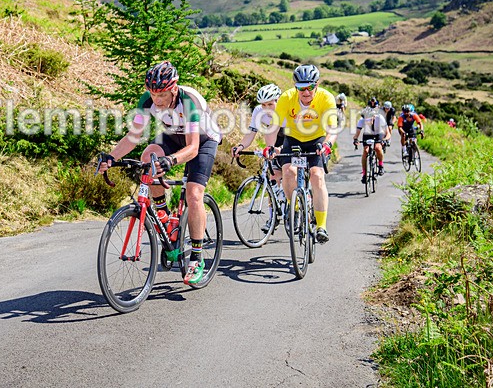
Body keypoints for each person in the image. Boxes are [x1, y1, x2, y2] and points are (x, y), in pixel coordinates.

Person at [96, 61, 222, 285]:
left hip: (203, 141)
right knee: (147, 159)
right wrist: (111, 157)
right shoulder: (146, 101)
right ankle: (163, 215)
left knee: (193, 194)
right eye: (153, 94)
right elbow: (134, 136)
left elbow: (192, 148)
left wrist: (171, 160)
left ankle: (196, 257)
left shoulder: (189, 101)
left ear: (173, 89)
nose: (157, 100)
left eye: (162, 94)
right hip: (173, 135)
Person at [264, 64, 338, 244]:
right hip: (294, 139)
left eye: (310, 87)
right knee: (289, 172)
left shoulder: (326, 98)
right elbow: (273, 126)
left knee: (317, 176)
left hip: (317, 139)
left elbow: (332, 128)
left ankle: (321, 226)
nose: (306, 92)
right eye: (301, 88)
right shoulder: (286, 98)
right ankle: (294, 206)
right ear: (295, 86)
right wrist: (271, 147)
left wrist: (327, 145)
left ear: (317, 85)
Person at [232, 83, 285, 232]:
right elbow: (251, 134)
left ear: (278, 101)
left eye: (270, 104)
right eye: (263, 105)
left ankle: (295, 206)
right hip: (274, 139)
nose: (266, 108)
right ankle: (273, 217)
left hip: (291, 137)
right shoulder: (258, 111)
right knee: (273, 179)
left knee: (289, 173)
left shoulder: (286, 108)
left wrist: (281, 150)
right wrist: (240, 146)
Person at [353, 106, 388, 182]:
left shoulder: (380, 119)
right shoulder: (361, 121)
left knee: (378, 148)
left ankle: (381, 165)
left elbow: (387, 133)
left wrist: (385, 140)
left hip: (379, 133)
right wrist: (355, 140)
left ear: (373, 117)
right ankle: (364, 174)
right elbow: (357, 134)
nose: (367, 121)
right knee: (365, 151)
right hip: (368, 134)